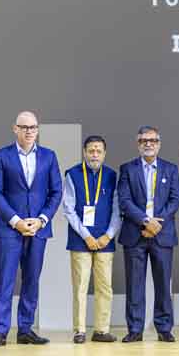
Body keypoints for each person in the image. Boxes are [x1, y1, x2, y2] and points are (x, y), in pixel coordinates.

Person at [0, 111, 62, 347]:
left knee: (31, 280)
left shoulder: (49, 156)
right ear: (15, 129)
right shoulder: (1, 156)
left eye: (33, 127)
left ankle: (25, 329)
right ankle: (0, 331)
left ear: (37, 129)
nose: (29, 131)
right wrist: (16, 221)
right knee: (5, 280)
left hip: (38, 229)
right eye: (25, 127)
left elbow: (56, 192)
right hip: (10, 229)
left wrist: (41, 220)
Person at [117, 126, 179, 343]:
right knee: (134, 284)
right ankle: (135, 329)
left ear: (159, 144)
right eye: (144, 140)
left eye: (152, 140)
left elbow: (175, 199)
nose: (148, 144)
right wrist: (145, 221)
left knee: (163, 284)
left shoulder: (170, 169)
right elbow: (124, 200)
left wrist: (156, 223)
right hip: (135, 233)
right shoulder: (127, 169)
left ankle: (164, 328)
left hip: (162, 233)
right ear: (138, 144)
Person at [61, 135, 121, 344]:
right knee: (80, 287)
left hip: (105, 240)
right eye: (91, 151)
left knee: (105, 287)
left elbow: (117, 210)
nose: (95, 154)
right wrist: (86, 235)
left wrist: (109, 235)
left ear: (104, 154)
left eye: (98, 151)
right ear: (84, 152)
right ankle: (79, 330)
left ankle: (101, 330)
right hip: (81, 241)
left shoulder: (112, 176)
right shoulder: (72, 174)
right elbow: (68, 209)